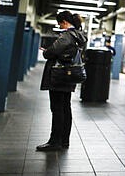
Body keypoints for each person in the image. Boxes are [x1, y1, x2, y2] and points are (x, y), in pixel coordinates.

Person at [37, 10, 87, 151]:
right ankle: (64, 140)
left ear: (65, 22)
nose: (60, 26)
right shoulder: (78, 35)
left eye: (60, 24)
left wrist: (46, 51)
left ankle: (55, 141)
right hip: (69, 76)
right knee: (65, 108)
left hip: (59, 76)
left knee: (57, 109)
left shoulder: (67, 36)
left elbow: (51, 52)